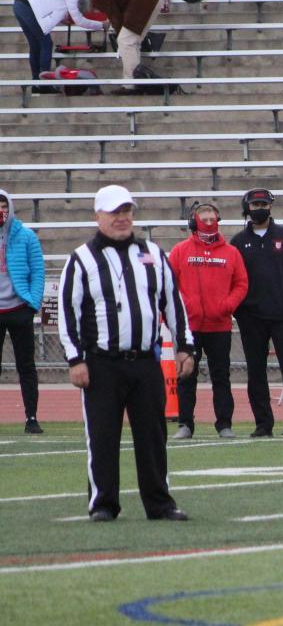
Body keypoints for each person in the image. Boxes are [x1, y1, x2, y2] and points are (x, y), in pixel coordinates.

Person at [59, 185, 195, 521]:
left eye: (127, 211)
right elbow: (68, 311)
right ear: (98, 216)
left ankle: (159, 503)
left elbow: (173, 302)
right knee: (103, 436)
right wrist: (75, 358)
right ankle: (103, 504)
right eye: (114, 212)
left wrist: (185, 346)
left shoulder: (151, 253)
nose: (122, 218)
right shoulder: (81, 259)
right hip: (102, 363)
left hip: (146, 361)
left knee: (152, 436)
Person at [230, 188, 283, 438]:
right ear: (247, 208)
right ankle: (263, 424)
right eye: (255, 205)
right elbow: (231, 278)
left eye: (263, 204)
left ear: (271, 206)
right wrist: (240, 308)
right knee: (256, 371)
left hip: (282, 316)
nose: (259, 208)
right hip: (251, 317)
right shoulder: (238, 242)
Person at [167, 202, 247, 439]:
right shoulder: (180, 251)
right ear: (194, 222)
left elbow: (241, 283)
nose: (210, 223)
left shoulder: (231, 253)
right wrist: (182, 310)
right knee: (186, 376)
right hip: (189, 327)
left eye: (213, 219)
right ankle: (185, 424)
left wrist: (227, 305)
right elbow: (169, 285)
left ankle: (224, 424)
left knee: (221, 376)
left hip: (219, 325)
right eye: (205, 219)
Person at [0, 189, 45, 434]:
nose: (1, 211)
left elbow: (38, 271)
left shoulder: (26, 236)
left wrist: (32, 303)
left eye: (4, 205)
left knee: (26, 365)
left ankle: (31, 417)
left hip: (19, 308)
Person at [13, 0, 102, 81]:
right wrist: (102, 25)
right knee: (46, 43)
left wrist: (62, 19)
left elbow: (52, 2)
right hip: (28, 9)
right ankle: (43, 84)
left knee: (35, 46)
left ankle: (36, 82)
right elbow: (79, 21)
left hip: (19, 4)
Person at [87, 0, 167, 81]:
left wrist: (118, 32)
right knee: (131, 42)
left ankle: (131, 82)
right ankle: (135, 81)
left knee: (125, 41)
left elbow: (114, 15)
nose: (97, 11)